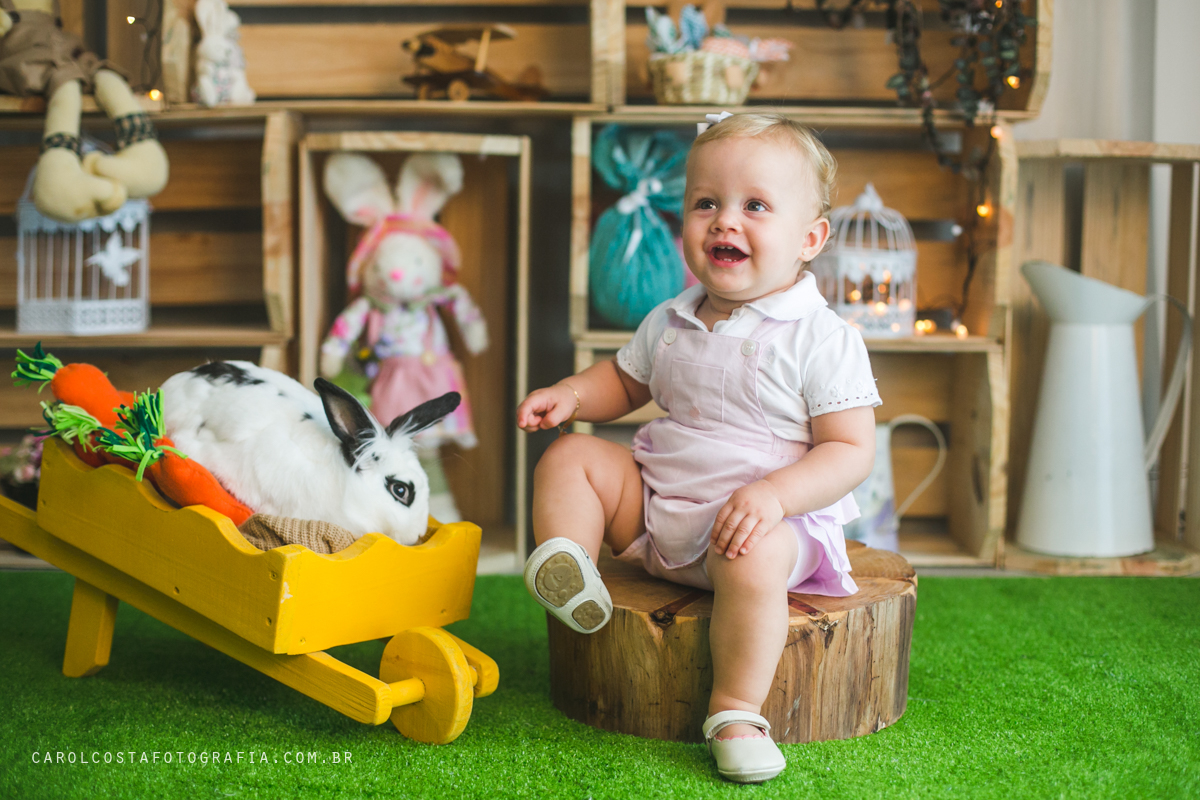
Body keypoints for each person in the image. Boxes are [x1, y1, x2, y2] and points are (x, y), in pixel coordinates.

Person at [516, 112, 880, 784]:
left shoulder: (821, 338)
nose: (724, 221)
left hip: (755, 529)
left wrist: (774, 497)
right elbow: (624, 383)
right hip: (657, 509)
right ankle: (571, 567)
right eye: (705, 203)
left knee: (758, 555)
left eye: (755, 206)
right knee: (571, 457)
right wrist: (571, 393)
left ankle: (736, 710)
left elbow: (850, 449)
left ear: (810, 238)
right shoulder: (672, 316)